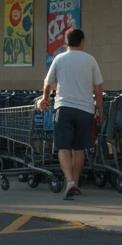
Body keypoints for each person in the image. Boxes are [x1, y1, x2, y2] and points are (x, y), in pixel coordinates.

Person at [36, 28, 102, 200]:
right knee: (79, 148)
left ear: (67, 42)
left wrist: (45, 99)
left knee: (63, 146)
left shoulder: (59, 59)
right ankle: (75, 183)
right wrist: (99, 110)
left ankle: (70, 180)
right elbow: (98, 88)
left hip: (64, 108)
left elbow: (48, 84)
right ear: (82, 42)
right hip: (85, 109)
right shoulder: (90, 60)